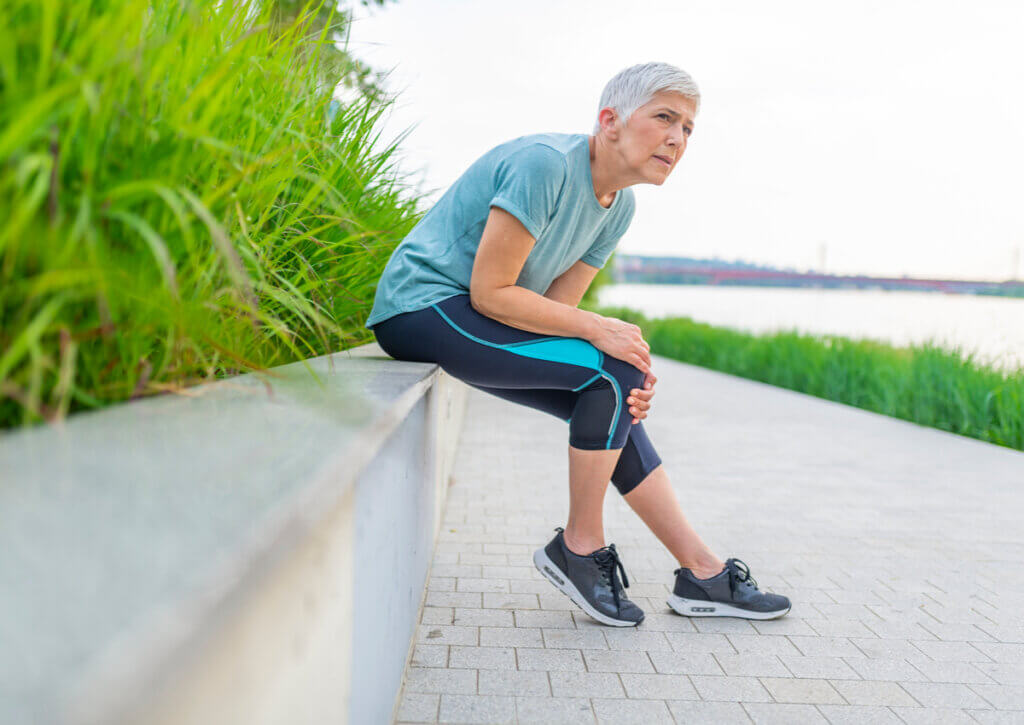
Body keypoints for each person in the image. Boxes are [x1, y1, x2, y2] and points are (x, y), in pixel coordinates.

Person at [366, 62, 790, 626]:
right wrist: (601, 334)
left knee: (615, 389)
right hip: (421, 307)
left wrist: (624, 366)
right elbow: (491, 292)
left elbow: (556, 312)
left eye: (688, 128)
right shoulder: (545, 165)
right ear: (610, 121)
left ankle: (703, 572)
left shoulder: (620, 207)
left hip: (470, 313)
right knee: (611, 373)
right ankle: (580, 547)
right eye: (665, 118)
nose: (677, 139)